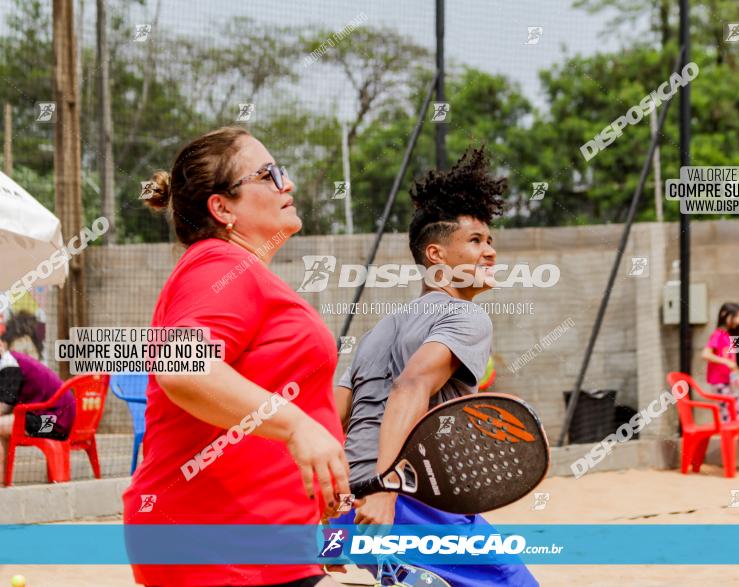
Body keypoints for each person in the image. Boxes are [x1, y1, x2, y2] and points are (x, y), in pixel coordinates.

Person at [123, 126, 351, 587]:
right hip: (220, 547)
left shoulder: (244, 272)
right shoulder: (221, 265)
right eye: (268, 174)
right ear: (222, 207)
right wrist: (297, 426)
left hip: (264, 547)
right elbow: (181, 366)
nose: (287, 184)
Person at [332, 147, 538, 586]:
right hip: (405, 502)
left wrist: (326, 520)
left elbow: (334, 417)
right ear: (436, 256)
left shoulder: (377, 331)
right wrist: (386, 488)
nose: (491, 253)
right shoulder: (465, 317)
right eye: (476, 241)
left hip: (351, 507)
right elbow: (410, 387)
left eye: (490, 241)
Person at [0, 339, 73, 475]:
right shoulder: (12, 361)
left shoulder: (8, 364)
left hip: (54, 424)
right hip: (56, 420)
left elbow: (3, 407)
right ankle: (4, 484)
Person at [701, 302, 739, 423]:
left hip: (731, 382)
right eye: (736, 316)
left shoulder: (734, 337)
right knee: (727, 414)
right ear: (724, 315)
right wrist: (725, 361)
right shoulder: (718, 335)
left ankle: (733, 439)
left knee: (738, 414)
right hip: (720, 383)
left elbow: (734, 365)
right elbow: (705, 354)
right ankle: (727, 439)